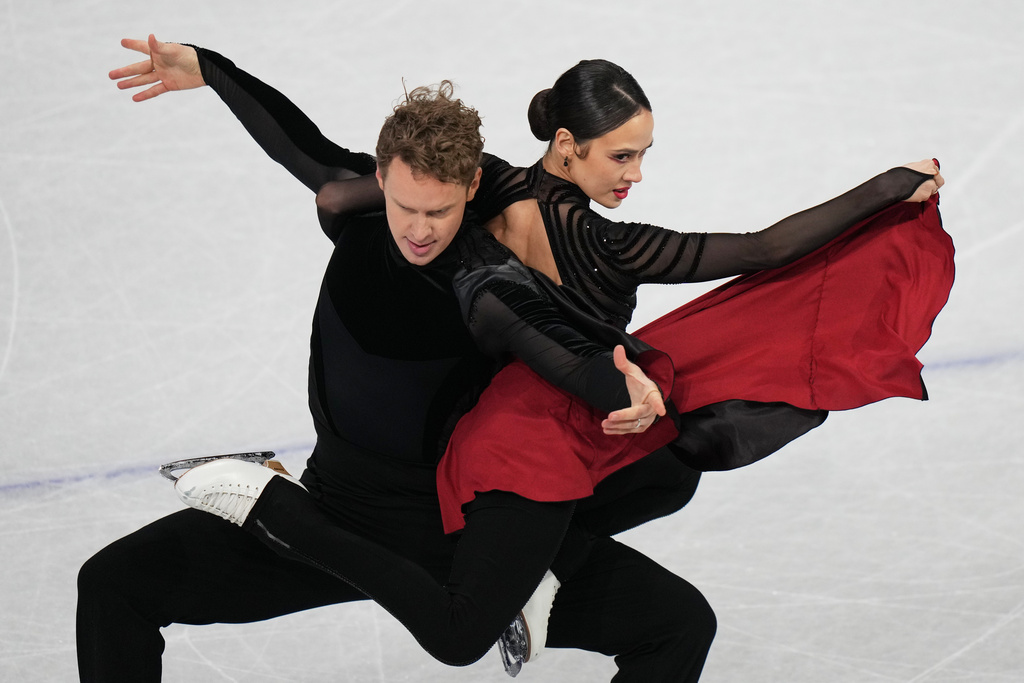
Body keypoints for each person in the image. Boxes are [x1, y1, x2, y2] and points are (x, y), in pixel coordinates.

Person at [80, 40, 717, 683]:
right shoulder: (356, 216)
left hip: (454, 539)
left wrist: (625, 390)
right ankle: (288, 510)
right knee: (113, 584)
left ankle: (526, 578)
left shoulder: (491, 282)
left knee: (678, 610)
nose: (418, 229)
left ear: (471, 188)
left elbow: (567, 358)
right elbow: (295, 143)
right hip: (332, 505)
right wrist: (213, 70)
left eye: (438, 212)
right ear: (379, 179)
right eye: (404, 207)